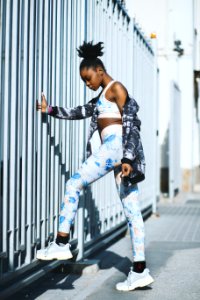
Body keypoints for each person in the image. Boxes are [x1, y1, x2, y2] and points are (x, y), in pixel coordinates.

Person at [36, 41, 154, 291]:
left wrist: (128, 159)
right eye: (84, 81)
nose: (88, 83)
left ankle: (61, 241)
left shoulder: (116, 88)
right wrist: (51, 110)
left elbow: (132, 123)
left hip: (116, 148)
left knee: (73, 182)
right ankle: (140, 271)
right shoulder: (101, 97)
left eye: (88, 78)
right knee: (132, 210)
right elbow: (80, 111)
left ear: (99, 71)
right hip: (118, 154)